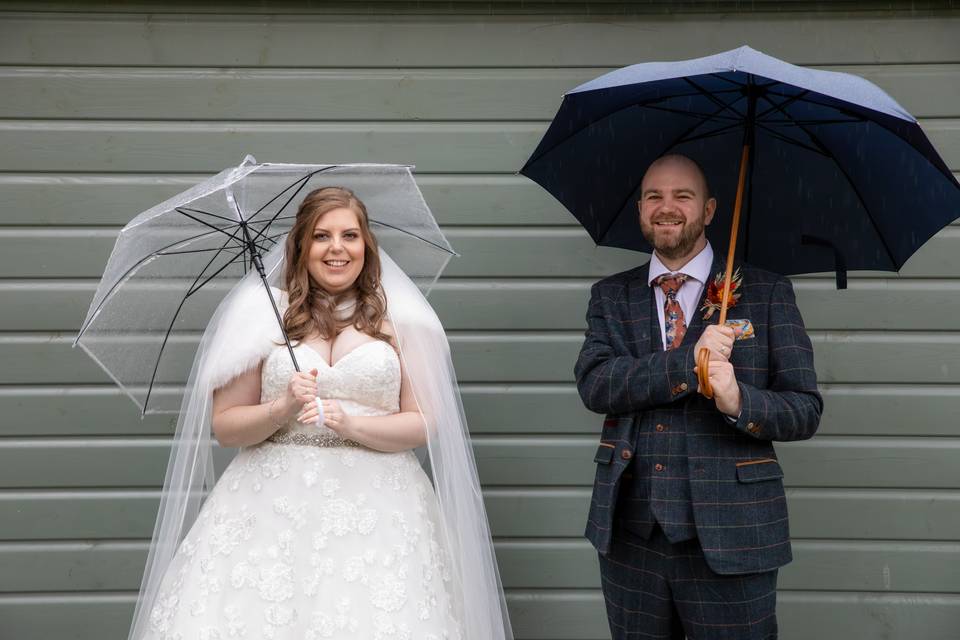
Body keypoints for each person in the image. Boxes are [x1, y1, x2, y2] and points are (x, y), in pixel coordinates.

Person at [131, 187, 512, 640]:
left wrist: (353, 424)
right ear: (301, 246)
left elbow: (424, 422)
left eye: (350, 235)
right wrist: (282, 407)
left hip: (381, 508)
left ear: (366, 246)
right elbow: (226, 427)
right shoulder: (258, 316)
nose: (337, 248)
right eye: (321, 236)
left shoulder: (405, 321)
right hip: (270, 511)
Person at [575, 154, 822, 639]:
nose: (667, 207)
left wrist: (737, 400)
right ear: (641, 210)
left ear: (709, 210)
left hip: (734, 533)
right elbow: (597, 383)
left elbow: (804, 409)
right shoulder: (611, 296)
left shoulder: (768, 293)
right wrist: (690, 363)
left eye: (682, 196)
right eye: (654, 197)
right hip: (631, 533)